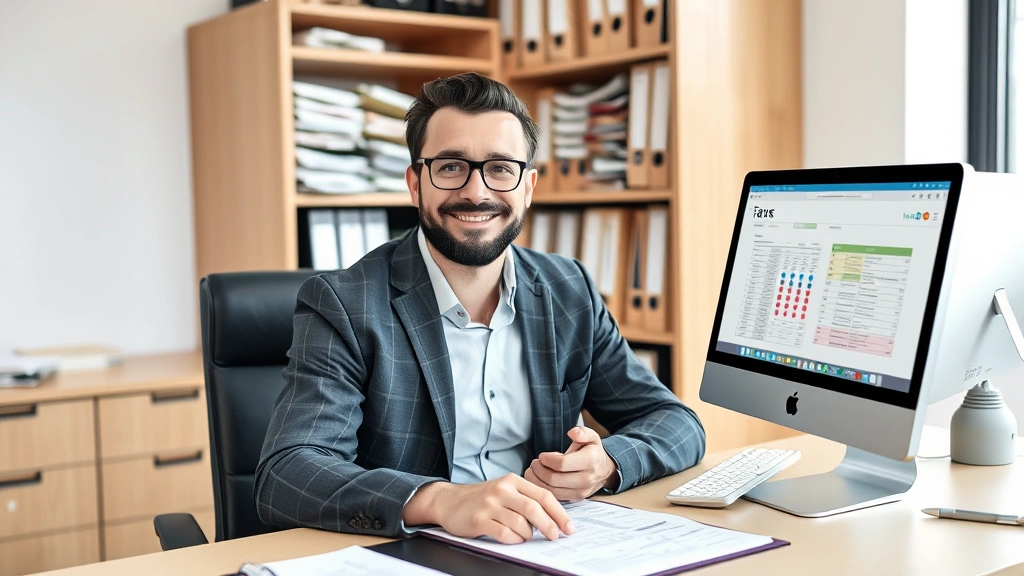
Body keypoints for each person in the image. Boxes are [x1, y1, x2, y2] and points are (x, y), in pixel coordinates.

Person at [255, 72, 705, 544]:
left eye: (500, 168)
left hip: (546, 548)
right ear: (415, 183)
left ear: (528, 186)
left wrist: (611, 462)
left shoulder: (568, 289)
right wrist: (440, 500)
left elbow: (677, 423)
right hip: (414, 553)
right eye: (450, 166)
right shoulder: (346, 304)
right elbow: (287, 473)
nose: (476, 192)